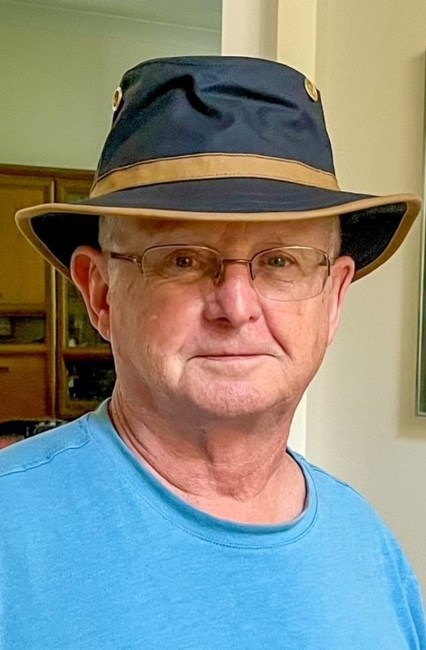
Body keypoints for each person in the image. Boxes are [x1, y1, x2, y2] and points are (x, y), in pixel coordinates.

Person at [1, 55, 425, 648]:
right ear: (101, 294)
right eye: (183, 259)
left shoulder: (367, 546)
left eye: (281, 261)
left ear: (333, 298)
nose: (237, 306)